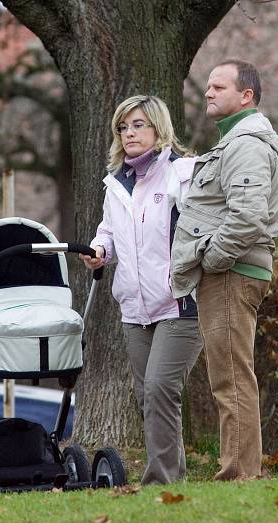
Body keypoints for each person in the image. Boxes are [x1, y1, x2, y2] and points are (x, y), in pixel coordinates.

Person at [171, 59, 278, 481]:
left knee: (231, 379)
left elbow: (248, 217)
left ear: (247, 96)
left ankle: (238, 474)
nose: (208, 92)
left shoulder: (245, 145)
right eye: (208, 86)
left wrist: (213, 260)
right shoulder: (235, 142)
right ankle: (241, 470)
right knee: (231, 374)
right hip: (232, 271)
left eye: (218, 87)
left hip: (232, 273)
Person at [81, 95, 202, 485]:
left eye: (137, 125)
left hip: (180, 303)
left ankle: (159, 483)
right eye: (123, 127)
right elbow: (110, 232)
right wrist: (100, 251)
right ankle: (173, 476)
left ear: (157, 128)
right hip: (134, 308)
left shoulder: (181, 173)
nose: (129, 133)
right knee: (146, 396)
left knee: (161, 389)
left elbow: (203, 225)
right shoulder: (116, 183)